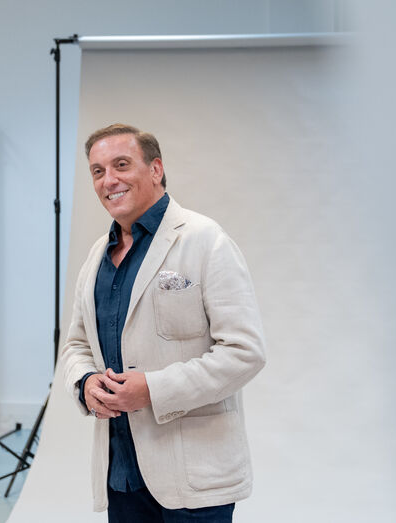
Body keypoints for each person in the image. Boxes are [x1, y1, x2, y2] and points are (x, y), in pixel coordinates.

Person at [59, 123, 266, 522]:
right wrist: (84, 382)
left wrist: (153, 390)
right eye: (98, 171)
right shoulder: (97, 256)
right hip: (121, 476)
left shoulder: (206, 240)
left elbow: (245, 353)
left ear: (155, 169)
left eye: (121, 164)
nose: (108, 180)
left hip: (195, 480)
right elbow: (77, 344)